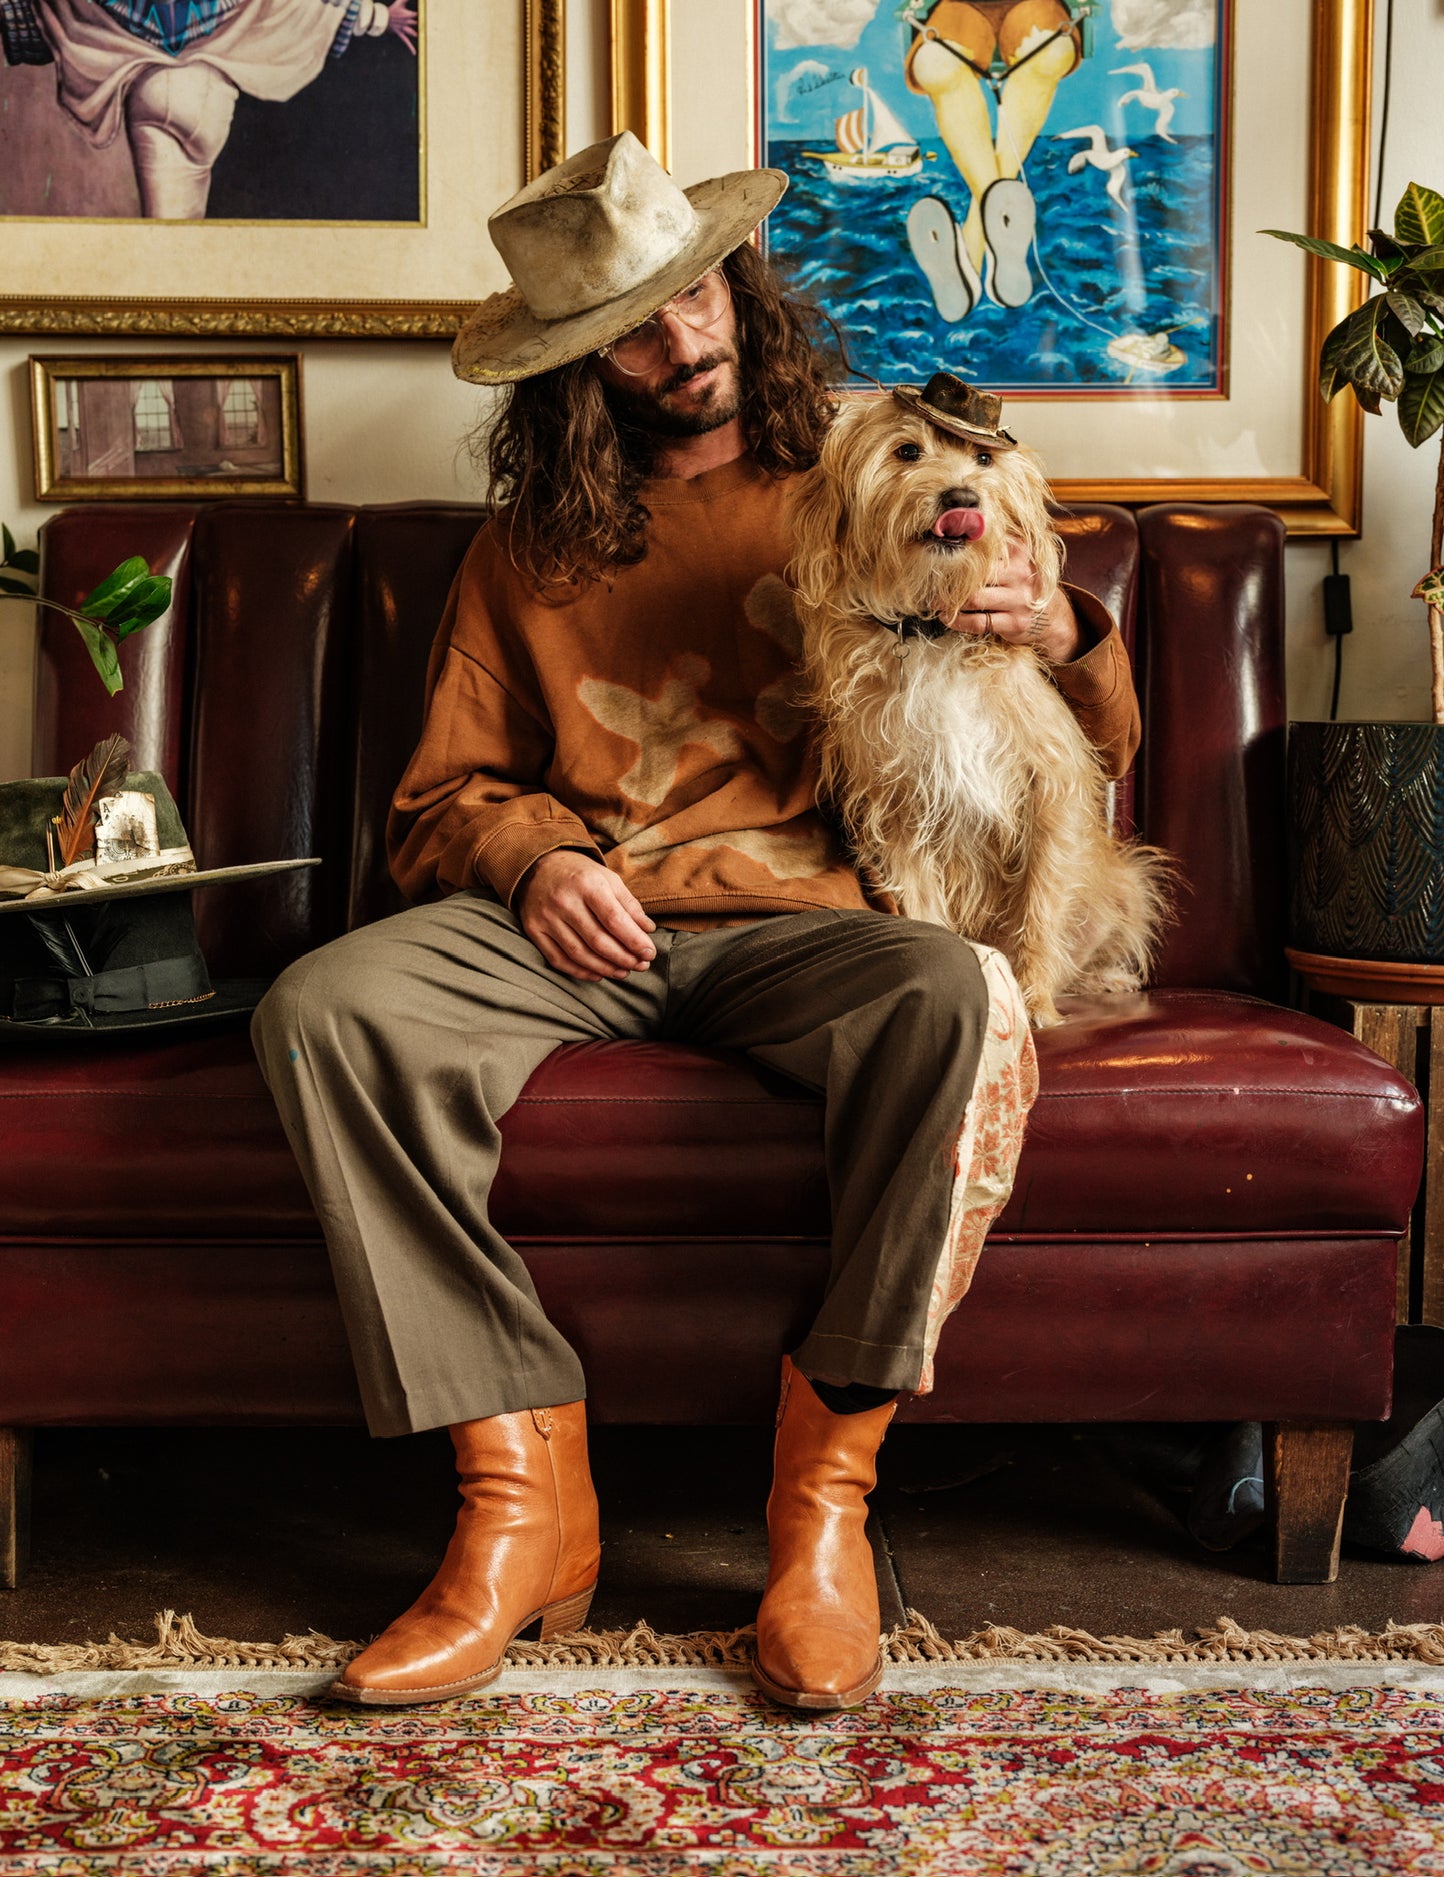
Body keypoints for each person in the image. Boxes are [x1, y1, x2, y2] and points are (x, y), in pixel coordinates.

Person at [251, 129, 1140, 1712]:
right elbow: (434, 803)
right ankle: (521, 1502)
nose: (690, 336)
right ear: (576, 369)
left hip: (810, 923)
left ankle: (823, 1514)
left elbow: (1074, 755)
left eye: (704, 291)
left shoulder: (871, 483)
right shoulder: (525, 551)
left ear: (743, 285)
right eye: (637, 326)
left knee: (952, 997)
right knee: (325, 1010)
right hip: (578, 932)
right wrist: (532, 861)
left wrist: (1069, 622)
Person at [10, 0, 417, 219]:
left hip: (147, 90)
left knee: (166, 240)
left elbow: (49, 12)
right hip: (202, 96)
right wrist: (378, 17)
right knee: (178, 243)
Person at [903, 0, 1089, 317]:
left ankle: (971, 247)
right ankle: (992, 236)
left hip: (1034, 6)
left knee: (1052, 51)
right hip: (959, 8)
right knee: (934, 63)